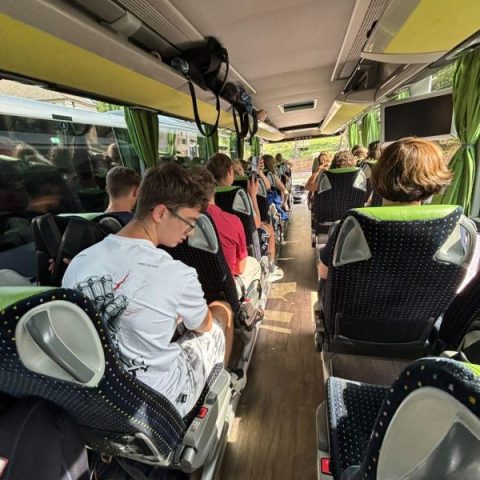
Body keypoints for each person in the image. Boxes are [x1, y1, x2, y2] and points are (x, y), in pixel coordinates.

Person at [62, 163, 237, 418]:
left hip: (99, 396)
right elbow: (204, 326)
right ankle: (221, 396)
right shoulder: (177, 273)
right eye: (189, 222)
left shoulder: (80, 261)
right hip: (161, 400)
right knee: (222, 311)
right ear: (161, 213)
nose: (190, 233)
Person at [318, 137, 453, 281]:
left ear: (378, 175)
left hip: (361, 295)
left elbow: (324, 272)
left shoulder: (351, 225)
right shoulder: (452, 227)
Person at [207, 153, 283, 282]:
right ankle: (270, 267)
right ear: (229, 171)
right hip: (247, 241)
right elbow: (256, 223)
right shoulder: (240, 194)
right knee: (268, 227)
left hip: (215, 250)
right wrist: (252, 196)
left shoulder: (208, 194)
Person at [190, 166, 262, 297]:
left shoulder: (178, 227)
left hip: (193, 289)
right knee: (254, 264)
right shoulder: (233, 221)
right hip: (226, 288)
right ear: (214, 190)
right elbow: (240, 268)